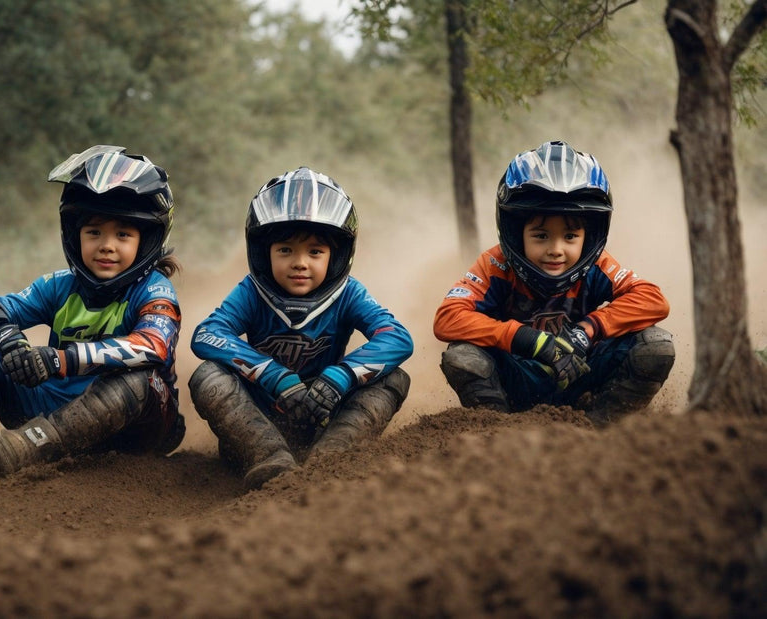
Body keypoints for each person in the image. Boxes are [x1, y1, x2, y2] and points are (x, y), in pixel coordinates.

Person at [0, 145, 185, 477]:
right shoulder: (58, 285)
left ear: (148, 240)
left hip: (136, 426)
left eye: (123, 234)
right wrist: (10, 339)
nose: (107, 245)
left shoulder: (154, 289)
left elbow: (153, 345)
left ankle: (27, 447)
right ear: (73, 234)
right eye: (93, 232)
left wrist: (59, 359)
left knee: (138, 376)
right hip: (54, 410)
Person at [189, 167, 413, 490]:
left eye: (315, 251)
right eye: (285, 250)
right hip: (261, 420)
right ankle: (267, 458)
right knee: (206, 374)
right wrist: (272, 375)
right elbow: (207, 334)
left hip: (328, 416)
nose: (300, 262)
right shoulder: (252, 291)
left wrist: (342, 376)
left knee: (393, 377)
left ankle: (332, 460)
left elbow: (398, 338)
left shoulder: (349, 292)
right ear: (263, 252)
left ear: (337, 256)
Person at [433, 140, 675, 425]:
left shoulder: (597, 265)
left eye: (570, 236)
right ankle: (498, 433)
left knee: (656, 344)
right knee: (462, 356)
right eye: (541, 235)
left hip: (581, 372)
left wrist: (587, 331)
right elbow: (447, 319)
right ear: (514, 231)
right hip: (518, 379)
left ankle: (604, 429)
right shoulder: (496, 264)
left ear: (590, 236)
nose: (556, 249)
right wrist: (528, 340)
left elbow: (653, 299)